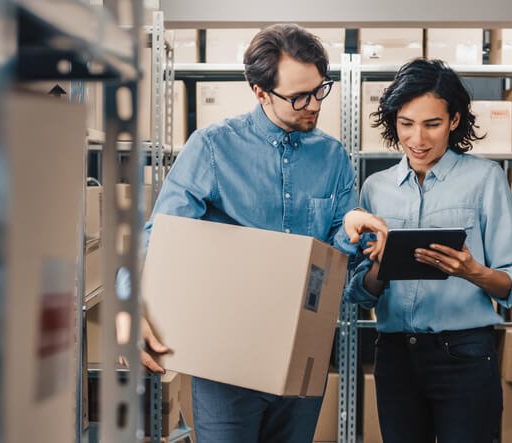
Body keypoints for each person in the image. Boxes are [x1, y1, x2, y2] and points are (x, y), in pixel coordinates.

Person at [139, 24, 388, 442]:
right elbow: (159, 238)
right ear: (259, 92)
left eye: (319, 90)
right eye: (298, 97)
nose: (314, 106)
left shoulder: (333, 158)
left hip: (301, 359)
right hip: (225, 363)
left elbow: (336, 269)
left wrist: (349, 234)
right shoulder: (213, 148)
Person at [345, 59, 512, 443]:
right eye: (406, 124)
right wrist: (378, 270)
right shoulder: (375, 188)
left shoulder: (485, 179)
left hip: (465, 355)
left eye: (431, 124)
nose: (417, 139)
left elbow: (508, 282)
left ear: (454, 120)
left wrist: (473, 271)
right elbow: (357, 291)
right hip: (395, 356)